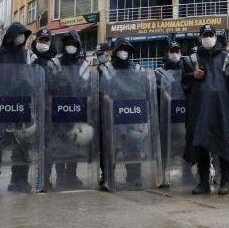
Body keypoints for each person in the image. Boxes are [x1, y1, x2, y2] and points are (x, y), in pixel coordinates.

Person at [183, 24, 229, 195]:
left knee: (224, 143)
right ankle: (203, 182)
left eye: (211, 34)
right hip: (199, 109)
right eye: (205, 34)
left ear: (216, 36)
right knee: (200, 144)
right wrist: (192, 76)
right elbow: (183, 82)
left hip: (221, 109)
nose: (208, 37)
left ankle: (224, 181)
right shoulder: (191, 59)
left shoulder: (227, 57)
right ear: (200, 38)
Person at [100, 37, 147, 189]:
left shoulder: (137, 68)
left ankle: (134, 177)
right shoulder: (106, 68)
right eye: (121, 49)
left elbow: (144, 90)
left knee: (133, 146)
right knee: (111, 146)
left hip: (132, 113)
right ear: (115, 50)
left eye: (127, 50)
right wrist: (108, 99)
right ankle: (108, 177)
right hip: (112, 113)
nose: (124, 52)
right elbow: (100, 91)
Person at [46, 31, 91, 189]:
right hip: (58, 112)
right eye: (67, 43)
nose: (70, 47)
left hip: (77, 111)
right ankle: (60, 177)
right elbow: (48, 90)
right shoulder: (54, 63)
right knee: (58, 146)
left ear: (78, 46)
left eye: (73, 43)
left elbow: (89, 90)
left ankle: (71, 176)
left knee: (74, 146)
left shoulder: (84, 66)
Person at [0, 22, 34, 192]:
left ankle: (19, 179)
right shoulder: (0, 54)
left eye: (24, 35)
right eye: (19, 34)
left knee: (23, 143)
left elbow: (31, 76)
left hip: (21, 103)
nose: (21, 38)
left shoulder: (25, 54)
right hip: (3, 104)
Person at [155, 42, 194, 186]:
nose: (175, 53)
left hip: (183, 115)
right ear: (167, 53)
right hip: (166, 118)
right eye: (172, 50)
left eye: (177, 50)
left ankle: (187, 173)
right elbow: (159, 90)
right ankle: (163, 176)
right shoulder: (159, 72)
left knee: (186, 146)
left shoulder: (186, 70)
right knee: (165, 147)